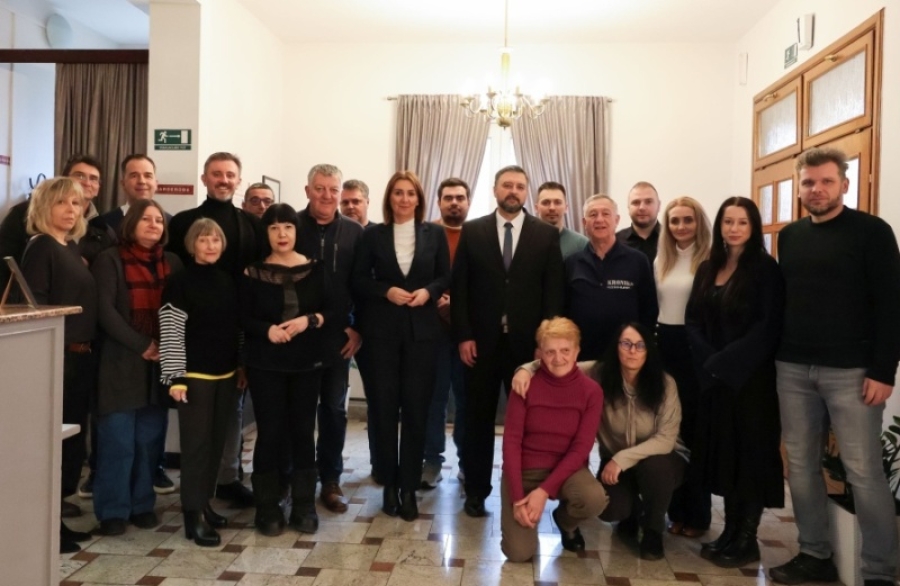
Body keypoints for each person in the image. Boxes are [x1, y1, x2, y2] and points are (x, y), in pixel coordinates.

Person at [769, 148, 900, 586]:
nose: (817, 189)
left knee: (863, 471)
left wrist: (884, 370)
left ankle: (879, 571)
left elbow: (890, 305)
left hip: (853, 373)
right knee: (801, 466)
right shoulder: (790, 236)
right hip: (793, 367)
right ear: (799, 187)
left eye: (826, 181)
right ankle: (814, 554)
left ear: (844, 184)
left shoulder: (872, 232)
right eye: (808, 182)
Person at [513, 322, 686, 561]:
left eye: (640, 345)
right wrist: (524, 369)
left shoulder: (665, 383)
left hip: (661, 460)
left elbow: (665, 440)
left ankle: (653, 530)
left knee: (655, 468)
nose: (632, 351)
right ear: (617, 347)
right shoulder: (599, 372)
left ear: (649, 349)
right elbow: (558, 361)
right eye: (626, 344)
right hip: (615, 461)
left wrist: (621, 459)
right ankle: (630, 514)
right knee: (610, 508)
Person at [451, 164, 564, 518]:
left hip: (527, 348)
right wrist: (464, 335)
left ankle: (525, 488)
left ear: (526, 192)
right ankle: (476, 491)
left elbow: (553, 293)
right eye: (506, 185)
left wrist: (544, 344)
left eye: (519, 186)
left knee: (528, 422)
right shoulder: (473, 231)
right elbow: (460, 289)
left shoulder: (545, 234)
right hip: (480, 345)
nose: (513, 191)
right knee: (477, 420)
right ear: (495, 190)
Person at [685, 196, 784, 569]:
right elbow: (693, 320)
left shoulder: (765, 269)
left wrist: (726, 363)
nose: (735, 228)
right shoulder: (708, 267)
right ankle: (729, 531)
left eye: (742, 222)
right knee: (725, 455)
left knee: (750, 456)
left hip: (750, 381)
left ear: (753, 226)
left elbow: (767, 326)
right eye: (728, 221)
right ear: (719, 226)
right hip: (714, 379)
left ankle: (747, 539)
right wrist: (710, 363)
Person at [352, 171, 450, 521]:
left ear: (419, 199)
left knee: (416, 411)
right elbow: (358, 280)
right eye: (398, 192)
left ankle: (408, 487)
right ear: (389, 198)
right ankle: (389, 485)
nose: (404, 199)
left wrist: (429, 292)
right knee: (383, 409)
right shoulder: (372, 235)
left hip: (423, 334)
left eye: (410, 193)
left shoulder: (434, 234)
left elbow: (445, 275)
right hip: (381, 334)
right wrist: (385, 291)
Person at [167, 152, 262, 509]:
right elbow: (174, 311)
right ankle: (195, 504)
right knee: (197, 434)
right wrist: (175, 372)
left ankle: (227, 479)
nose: (224, 180)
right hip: (194, 347)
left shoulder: (251, 225)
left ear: (239, 180)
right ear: (204, 178)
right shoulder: (183, 223)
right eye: (217, 174)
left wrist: (242, 355)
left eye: (230, 174)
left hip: (232, 341)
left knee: (229, 419)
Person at [91, 200, 181, 536]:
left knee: (148, 441)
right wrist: (142, 344)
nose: (154, 224)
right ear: (131, 223)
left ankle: (142, 504)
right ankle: (112, 511)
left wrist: (164, 348)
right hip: (119, 360)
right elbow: (104, 311)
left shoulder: (172, 262)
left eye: (159, 220)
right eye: (146, 219)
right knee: (117, 441)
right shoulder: (109, 259)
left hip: (159, 364)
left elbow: (182, 308)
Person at [241, 203, 332, 536]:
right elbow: (241, 316)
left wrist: (310, 320)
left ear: (297, 231)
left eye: (288, 227)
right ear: (266, 233)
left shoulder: (317, 268)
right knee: (270, 431)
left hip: (307, 363)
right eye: (274, 228)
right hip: (265, 362)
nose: (282, 234)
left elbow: (335, 309)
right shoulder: (252, 272)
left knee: (303, 430)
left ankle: (304, 504)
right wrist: (266, 330)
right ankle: (267, 506)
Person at [19, 177, 97, 552]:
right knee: (54, 443)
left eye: (76, 203)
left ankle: (57, 522)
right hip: (58, 357)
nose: (70, 210)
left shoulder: (70, 246)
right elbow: (37, 308)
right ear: (43, 206)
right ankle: (48, 529)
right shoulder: (41, 247)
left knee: (71, 444)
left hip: (80, 357)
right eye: (62, 202)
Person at [159, 218, 245, 547]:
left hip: (226, 374)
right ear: (192, 244)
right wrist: (175, 377)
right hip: (193, 377)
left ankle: (205, 503)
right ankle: (191, 514)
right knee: (195, 448)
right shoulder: (179, 282)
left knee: (215, 444)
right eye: (203, 240)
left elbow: (236, 328)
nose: (210, 246)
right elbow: (170, 329)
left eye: (215, 240)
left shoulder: (227, 280)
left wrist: (241, 364)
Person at [500, 317, 607, 562]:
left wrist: (543, 492)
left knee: (594, 499)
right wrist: (517, 498)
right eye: (550, 352)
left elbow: (581, 448)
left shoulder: (591, 391)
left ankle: (564, 520)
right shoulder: (524, 384)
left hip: (567, 470)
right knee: (519, 554)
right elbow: (511, 443)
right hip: (525, 470)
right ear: (540, 354)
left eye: (565, 350)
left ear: (577, 351)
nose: (558, 358)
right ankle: (526, 519)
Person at [296, 164, 364, 511]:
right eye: (319, 188)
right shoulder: (290, 225)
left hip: (339, 337)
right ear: (307, 190)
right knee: (299, 411)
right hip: (297, 337)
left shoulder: (355, 232)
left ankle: (331, 480)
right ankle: (298, 478)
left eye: (333, 189)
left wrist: (358, 327)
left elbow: (364, 285)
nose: (326, 195)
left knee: (334, 411)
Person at [654, 196, 713, 538]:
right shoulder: (662, 259)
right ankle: (675, 511)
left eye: (687, 220)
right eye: (674, 220)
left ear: (698, 222)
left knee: (695, 432)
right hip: (666, 347)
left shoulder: (710, 259)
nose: (680, 226)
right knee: (670, 431)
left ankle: (698, 514)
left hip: (695, 350)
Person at [567, 194, 658, 360]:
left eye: (606, 213)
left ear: (616, 220)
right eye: (593, 214)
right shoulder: (571, 263)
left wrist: (640, 346)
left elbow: (649, 309)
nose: (599, 219)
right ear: (584, 222)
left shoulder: (638, 260)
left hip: (626, 355)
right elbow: (563, 310)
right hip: (582, 354)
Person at [422, 177, 470, 489]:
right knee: (433, 400)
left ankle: (467, 462)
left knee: (467, 401)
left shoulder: (478, 234)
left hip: (467, 332)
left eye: (460, 198)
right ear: (438, 201)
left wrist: (458, 304)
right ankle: (432, 461)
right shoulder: (425, 233)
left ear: (468, 202)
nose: (454, 202)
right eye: (448, 197)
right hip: (431, 332)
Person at [101, 154, 170, 235]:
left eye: (148, 176)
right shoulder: (104, 224)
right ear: (123, 184)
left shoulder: (171, 223)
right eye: (134, 176)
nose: (142, 181)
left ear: (156, 184)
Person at [535, 181, 588, 259]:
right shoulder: (523, 242)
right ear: (536, 208)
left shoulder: (582, 244)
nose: (552, 208)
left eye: (557, 202)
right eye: (546, 203)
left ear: (566, 208)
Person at [616, 181, 661, 263]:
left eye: (648, 202)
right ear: (628, 207)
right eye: (636, 202)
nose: (642, 207)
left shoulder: (672, 238)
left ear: (658, 206)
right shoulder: (615, 242)